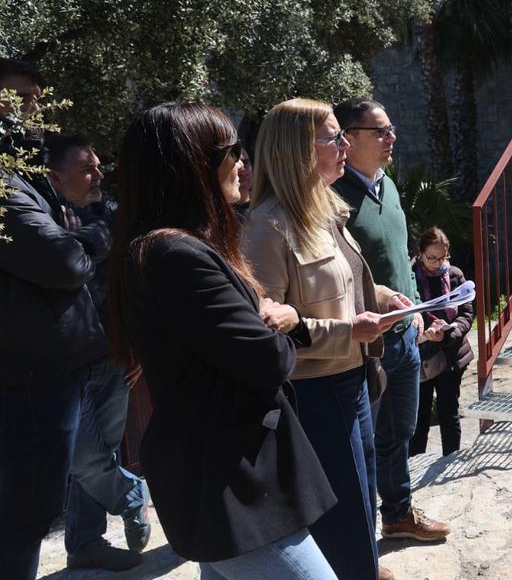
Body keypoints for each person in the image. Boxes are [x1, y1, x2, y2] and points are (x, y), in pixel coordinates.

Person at [108, 102, 339, 579]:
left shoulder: (171, 248)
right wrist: (283, 320)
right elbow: (267, 362)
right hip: (230, 484)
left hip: (223, 477)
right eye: (230, 150)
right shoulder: (175, 256)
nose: (242, 162)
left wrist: (266, 317)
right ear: (191, 164)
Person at [243, 98, 411, 580]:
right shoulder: (267, 224)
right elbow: (268, 322)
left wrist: (380, 295)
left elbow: (338, 285)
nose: (344, 146)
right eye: (333, 137)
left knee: (361, 494)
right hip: (315, 390)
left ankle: (364, 568)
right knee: (342, 508)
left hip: (354, 377)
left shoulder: (325, 209)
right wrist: (346, 331)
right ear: (298, 149)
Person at [0, 59, 113, 580]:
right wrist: (94, 236)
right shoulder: (7, 189)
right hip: (29, 380)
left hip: (58, 370)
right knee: (22, 518)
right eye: (19, 100)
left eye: (36, 102)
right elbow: (64, 263)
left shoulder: (20, 184)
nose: (33, 114)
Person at [331, 98, 452, 542]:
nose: (391, 138)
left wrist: (419, 307)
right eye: (380, 131)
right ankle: (357, 539)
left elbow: (400, 255)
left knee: (399, 432)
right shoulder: (332, 195)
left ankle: (398, 514)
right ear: (349, 138)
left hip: (405, 334)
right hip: (364, 344)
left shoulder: (387, 184)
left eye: (391, 128)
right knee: (361, 444)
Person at [44, 134, 151, 571]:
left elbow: (133, 282)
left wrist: (139, 344)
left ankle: (86, 542)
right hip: (60, 361)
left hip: (114, 355)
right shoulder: (41, 217)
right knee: (82, 454)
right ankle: (133, 495)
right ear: (56, 176)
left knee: (101, 450)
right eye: (86, 168)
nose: (99, 175)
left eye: (98, 165)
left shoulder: (113, 213)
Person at [408, 227, 474, 457]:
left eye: (443, 257)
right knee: (419, 418)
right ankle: (415, 469)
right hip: (421, 355)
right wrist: (423, 330)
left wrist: (447, 334)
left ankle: (450, 464)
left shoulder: (454, 274)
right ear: (420, 252)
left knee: (449, 414)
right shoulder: (409, 275)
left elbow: (466, 314)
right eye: (432, 258)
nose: (438, 263)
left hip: (450, 355)